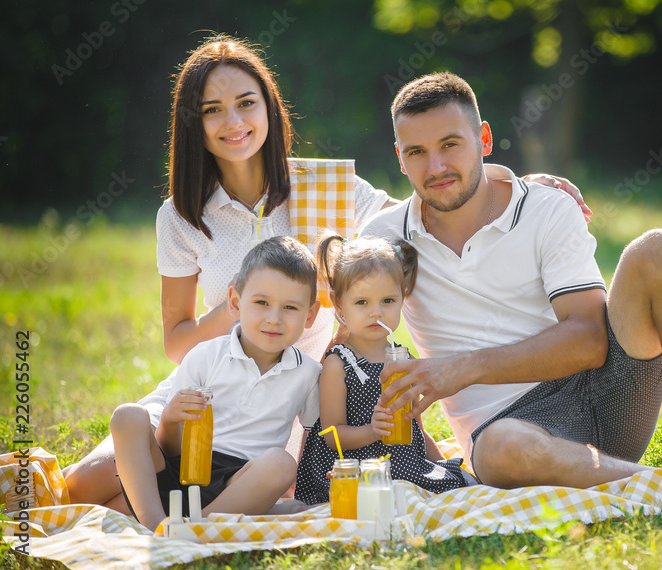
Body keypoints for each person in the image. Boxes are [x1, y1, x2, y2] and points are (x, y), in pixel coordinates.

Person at [64, 34, 585, 511]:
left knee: (140, 493)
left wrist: (513, 183)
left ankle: (168, 514)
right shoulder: (181, 214)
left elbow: (425, 200)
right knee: (85, 482)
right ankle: (168, 506)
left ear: (269, 108)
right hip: (207, 385)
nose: (234, 122)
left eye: (247, 103)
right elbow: (177, 342)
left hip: (291, 399)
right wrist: (244, 306)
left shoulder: (326, 188)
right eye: (213, 110)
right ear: (193, 123)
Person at [362, 72, 662, 514]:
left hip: (609, 397)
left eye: (450, 145)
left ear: (483, 140)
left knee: (656, 250)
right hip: (510, 432)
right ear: (400, 160)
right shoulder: (384, 239)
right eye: (417, 152)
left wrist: (460, 370)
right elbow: (349, 323)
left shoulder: (545, 206)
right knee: (501, 448)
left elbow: (589, 340)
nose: (436, 167)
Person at [110, 236, 322, 530]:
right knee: (127, 415)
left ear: (310, 315)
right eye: (261, 302)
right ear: (235, 301)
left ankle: (195, 529)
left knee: (281, 464)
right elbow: (169, 449)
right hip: (179, 473)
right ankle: (157, 526)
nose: (274, 319)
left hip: (236, 486)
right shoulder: (205, 356)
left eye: (290, 308)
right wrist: (170, 420)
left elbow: (317, 442)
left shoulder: (308, 373)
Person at [294, 235, 471, 505]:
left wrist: (440, 464)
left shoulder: (404, 360)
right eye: (362, 302)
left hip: (402, 460)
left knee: (448, 484)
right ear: (339, 304)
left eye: (388, 301)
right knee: (395, 485)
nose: (376, 313)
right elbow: (332, 435)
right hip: (355, 466)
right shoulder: (338, 363)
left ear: (403, 298)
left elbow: (415, 429)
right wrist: (373, 431)